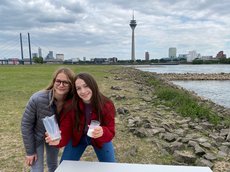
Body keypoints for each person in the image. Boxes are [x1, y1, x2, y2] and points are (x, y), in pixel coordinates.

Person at [46, 73, 116, 162]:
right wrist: (58, 140)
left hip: (99, 139)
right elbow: (65, 131)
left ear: (93, 85)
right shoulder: (70, 106)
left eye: (86, 86)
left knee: (110, 167)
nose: (83, 91)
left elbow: (111, 131)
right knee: (65, 166)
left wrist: (102, 132)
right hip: (77, 138)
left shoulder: (107, 105)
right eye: (78, 88)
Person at [21, 67, 75, 172]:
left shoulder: (72, 103)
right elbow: (26, 125)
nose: (61, 85)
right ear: (54, 81)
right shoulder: (37, 98)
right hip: (36, 137)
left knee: (53, 165)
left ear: (71, 85)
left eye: (65, 82)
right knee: (37, 169)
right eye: (58, 81)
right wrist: (30, 152)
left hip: (54, 137)